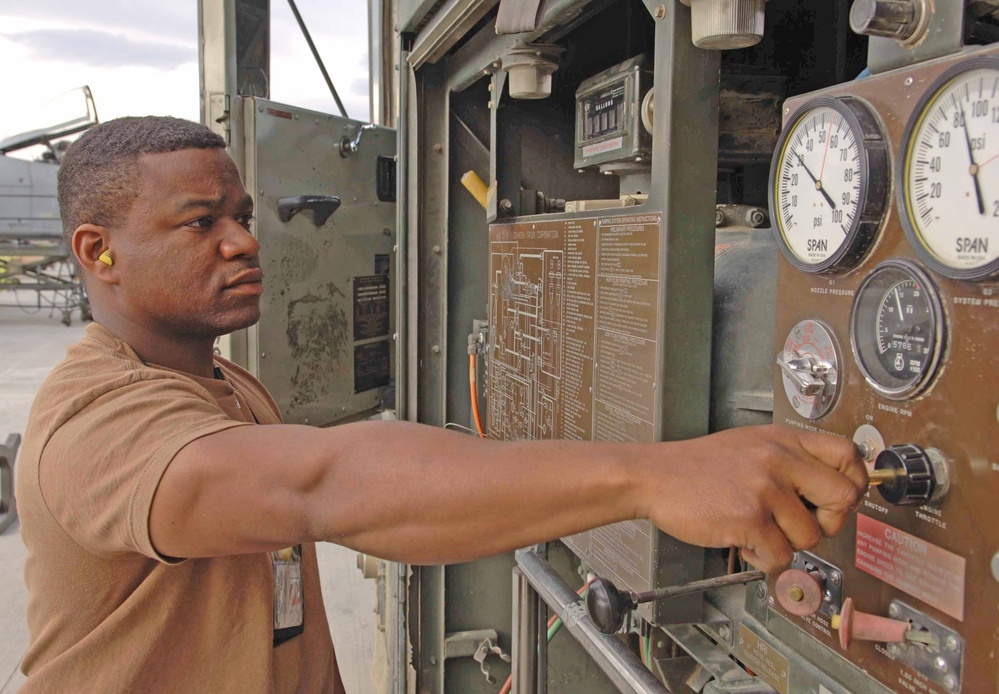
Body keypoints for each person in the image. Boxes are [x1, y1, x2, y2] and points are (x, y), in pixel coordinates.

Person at [16, 116, 867, 692]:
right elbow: (318, 484)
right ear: (100, 252)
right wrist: (651, 478)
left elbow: (362, 518)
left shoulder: (225, 386)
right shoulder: (95, 422)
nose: (244, 240)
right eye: (200, 223)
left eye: (241, 215)